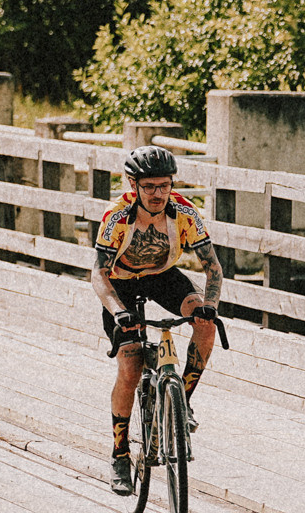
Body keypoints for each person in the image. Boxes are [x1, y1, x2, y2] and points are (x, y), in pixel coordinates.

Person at [92, 144, 223, 494]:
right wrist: (119, 311)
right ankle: (120, 453)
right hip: (119, 282)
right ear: (133, 185)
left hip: (163, 275)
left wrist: (209, 305)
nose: (157, 193)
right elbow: (97, 274)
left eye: (163, 185)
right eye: (149, 186)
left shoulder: (184, 211)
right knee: (131, 365)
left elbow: (213, 268)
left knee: (206, 324)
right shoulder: (118, 215)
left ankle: (183, 404)